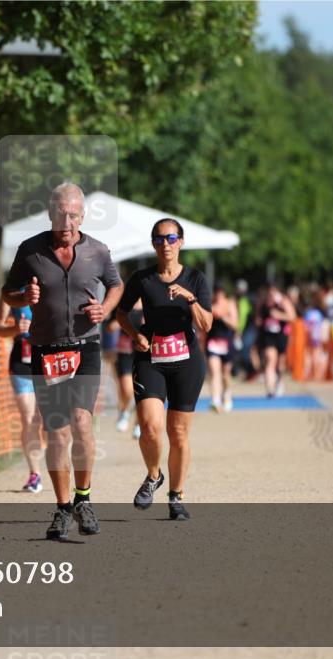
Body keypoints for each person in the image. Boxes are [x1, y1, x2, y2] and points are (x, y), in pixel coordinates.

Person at [2, 183, 122, 539]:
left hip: (84, 347)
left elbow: (116, 286)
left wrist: (106, 309)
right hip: (47, 349)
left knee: (82, 423)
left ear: (82, 216)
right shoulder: (30, 250)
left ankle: (84, 499)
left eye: (73, 214)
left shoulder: (98, 251)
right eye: (60, 214)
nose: (66, 221)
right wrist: (22, 294)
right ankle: (62, 507)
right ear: (51, 214)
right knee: (56, 433)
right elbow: (7, 294)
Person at [116, 219, 212, 521]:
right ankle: (154, 475)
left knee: (179, 433)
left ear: (181, 242)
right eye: (159, 239)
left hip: (187, 362)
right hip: (151, 359)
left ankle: (176, 495)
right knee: (150, 427)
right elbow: (120, 312)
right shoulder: (142, 278)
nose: (165, 244)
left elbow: (206, 324)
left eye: (171, 238)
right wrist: (135, 335)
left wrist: (190, 298)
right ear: (153, 244)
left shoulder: (195, 279)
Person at [0, 301, 44, 493]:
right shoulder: (12, 293)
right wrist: (15, 328)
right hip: (22, 364)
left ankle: (62, 467)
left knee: (51, 421)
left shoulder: (54, 283)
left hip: (49, 362)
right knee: (29, 420)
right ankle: (35, 474)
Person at [257, 285, 297, 397]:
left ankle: (279, 381)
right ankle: (270, 389)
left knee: (280, 364)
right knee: (270, 359)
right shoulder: (264, 303)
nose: (271, 295)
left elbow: (293, 317)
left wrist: (279, 315)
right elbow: (258, 319)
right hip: (268, 336)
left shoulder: (284, 302)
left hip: (281, 335)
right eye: (270, 293)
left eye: (274, 292)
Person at [113, 300, 143, 438]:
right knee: (127, 389)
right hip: (125, 351)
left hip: (143, 351)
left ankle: (138, 424)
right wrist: (116, 324)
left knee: (143, 391)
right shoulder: (124, 304)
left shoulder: (151, 302)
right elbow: (109, 326)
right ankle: (124, 411)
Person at [205, 285, 237, 412]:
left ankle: (227, 395)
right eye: (217, 291)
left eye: (221, 291)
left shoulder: (230, 304)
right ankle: (215, 399)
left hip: (226, 343)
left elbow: (235, 324)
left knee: (226, 373)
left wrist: (223, 317)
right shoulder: (210, 304)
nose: (218, 294)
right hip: (212, 342)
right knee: (214, 370)